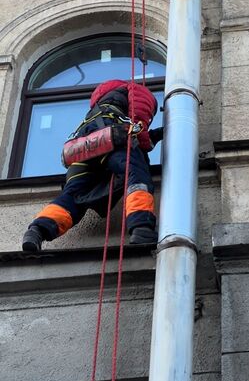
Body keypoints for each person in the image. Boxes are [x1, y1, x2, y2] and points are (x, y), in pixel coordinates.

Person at [22, 79, 163, 252]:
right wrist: (146, 138)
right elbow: (138, 120)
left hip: (84, 147)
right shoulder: (135, 90)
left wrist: (156, 135)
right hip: (114, 138)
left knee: (73, 194)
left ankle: (37, 230)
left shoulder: (94, 109)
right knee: (136, 175)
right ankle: (141, 227)